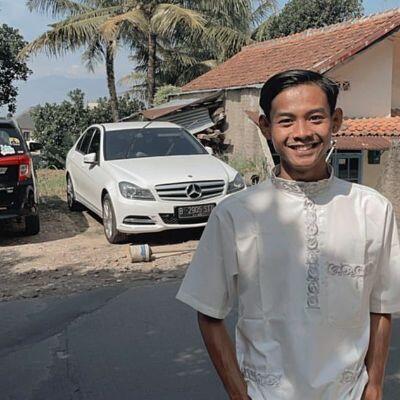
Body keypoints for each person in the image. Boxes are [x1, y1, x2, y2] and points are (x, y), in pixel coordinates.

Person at [176, 69, 400, 400]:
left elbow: (381, 305)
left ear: (336, 121)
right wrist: (239, 394)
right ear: (266, 127)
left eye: (315, 118)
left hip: (349, 392)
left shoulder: (372, 210)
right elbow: (209, 312)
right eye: (286, 121)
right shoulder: (235, 215)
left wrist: (376, 385)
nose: (302, 133)